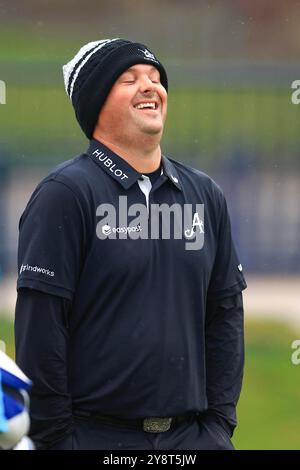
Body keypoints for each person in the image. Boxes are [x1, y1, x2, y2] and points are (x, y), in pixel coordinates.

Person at [15, 38, 247, 450]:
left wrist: (217, 426)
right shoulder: (64, 194)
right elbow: (41, 328)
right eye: (129, 79)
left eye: (156, 79)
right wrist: (57, 439)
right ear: (96, 101)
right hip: (91, 439)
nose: (150, 87)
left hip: (193, 440)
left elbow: (225, 314)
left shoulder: (204, 194)